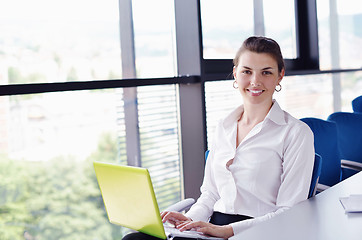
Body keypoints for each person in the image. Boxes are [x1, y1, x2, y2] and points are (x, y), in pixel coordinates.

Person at [125, 36, 315, 240]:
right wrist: (188, 220)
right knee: (134, 238)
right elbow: (210, 194)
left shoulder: (295, 133)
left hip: (257, 232)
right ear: (235, 73)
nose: (255, 81)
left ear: (280, 76)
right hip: (211, 229)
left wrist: (229, 231)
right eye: (247, 72)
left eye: (266, 72)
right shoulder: (224, 126)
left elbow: (289, 212)